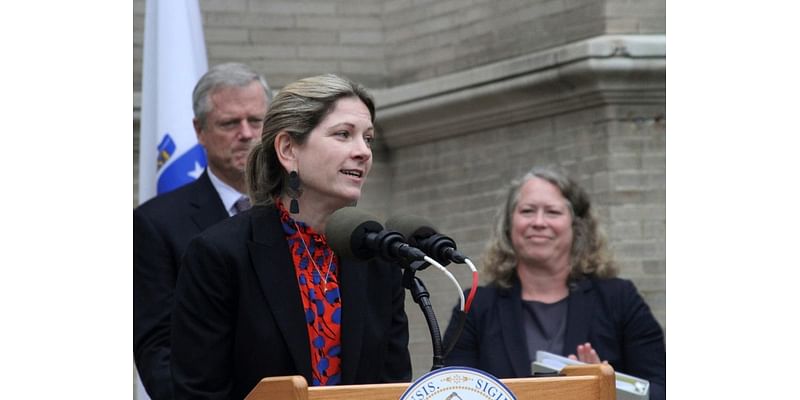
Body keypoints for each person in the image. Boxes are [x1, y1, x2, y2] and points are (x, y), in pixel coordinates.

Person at [170, 74, 412, 399]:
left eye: (367, 138)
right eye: (343, 135)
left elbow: (392, 385)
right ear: (287, 149)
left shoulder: (378, 256)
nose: (363, 152)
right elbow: (198, 391)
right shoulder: (219, 255)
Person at [442, 166, 666, 400]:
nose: (539, 222)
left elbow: (662, 388)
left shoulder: (619, 298)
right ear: (509, 225)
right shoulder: (476, 306)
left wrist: (606, 386)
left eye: (552, 212)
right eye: (527, 211)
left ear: (577, 226)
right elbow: (449, 388)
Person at [133, 63, 271, 400]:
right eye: (229, 123)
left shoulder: (299, 212)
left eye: (256, 121)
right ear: (199, 131)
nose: (247, 133)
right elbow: (158, 350)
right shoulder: (156, 223)